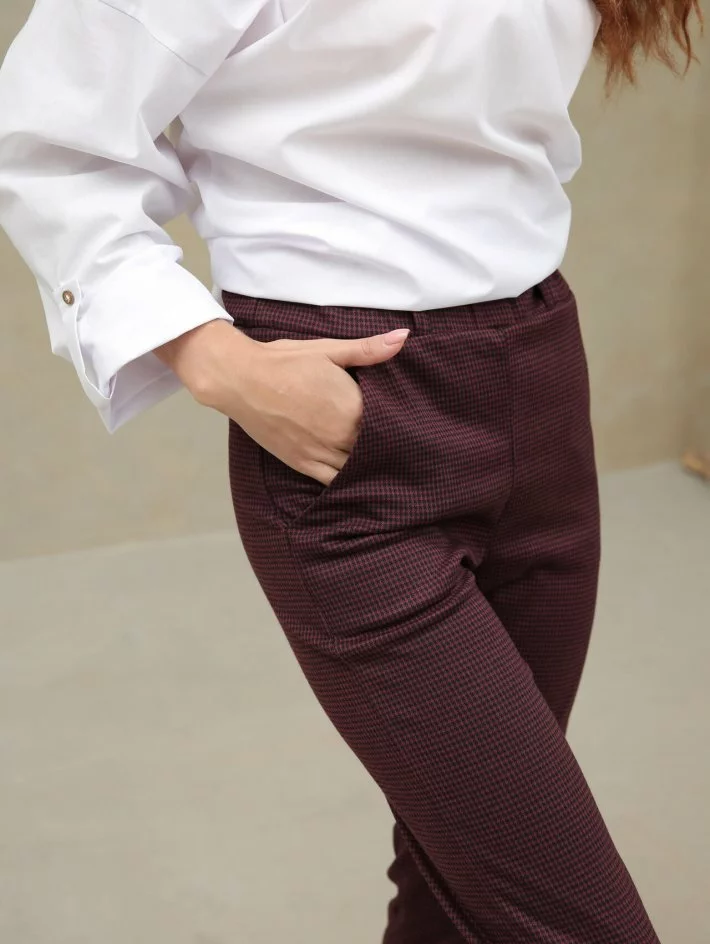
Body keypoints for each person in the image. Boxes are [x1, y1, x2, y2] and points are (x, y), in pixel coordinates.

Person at [0, 1, 700, 940]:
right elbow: (46, 136)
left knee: (455, 883)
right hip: (356, 439)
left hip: (542, 387)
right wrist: (213, 356)